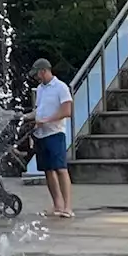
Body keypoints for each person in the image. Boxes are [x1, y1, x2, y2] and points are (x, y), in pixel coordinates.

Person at [29, 58, 74, 218]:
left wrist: (46, 120)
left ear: (44, 71)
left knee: (60, 169)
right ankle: (57, 205)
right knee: (48, 170)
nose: (36, 78)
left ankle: (68, 207)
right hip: (41, 133)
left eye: (37, 74)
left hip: (55, 132)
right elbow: (39, 110)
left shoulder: (61, 87)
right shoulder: (40, 89)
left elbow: (67, 111)